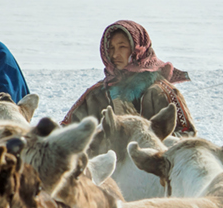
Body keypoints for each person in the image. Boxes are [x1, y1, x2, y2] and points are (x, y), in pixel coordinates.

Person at [63, 20, 196, 134]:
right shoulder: (98, 93)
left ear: (139, 49)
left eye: (122, 47)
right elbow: (66, 132)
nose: (115, 55)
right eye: (111, 48)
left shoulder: (159, 92)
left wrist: (152, 143)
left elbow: (186, 133)